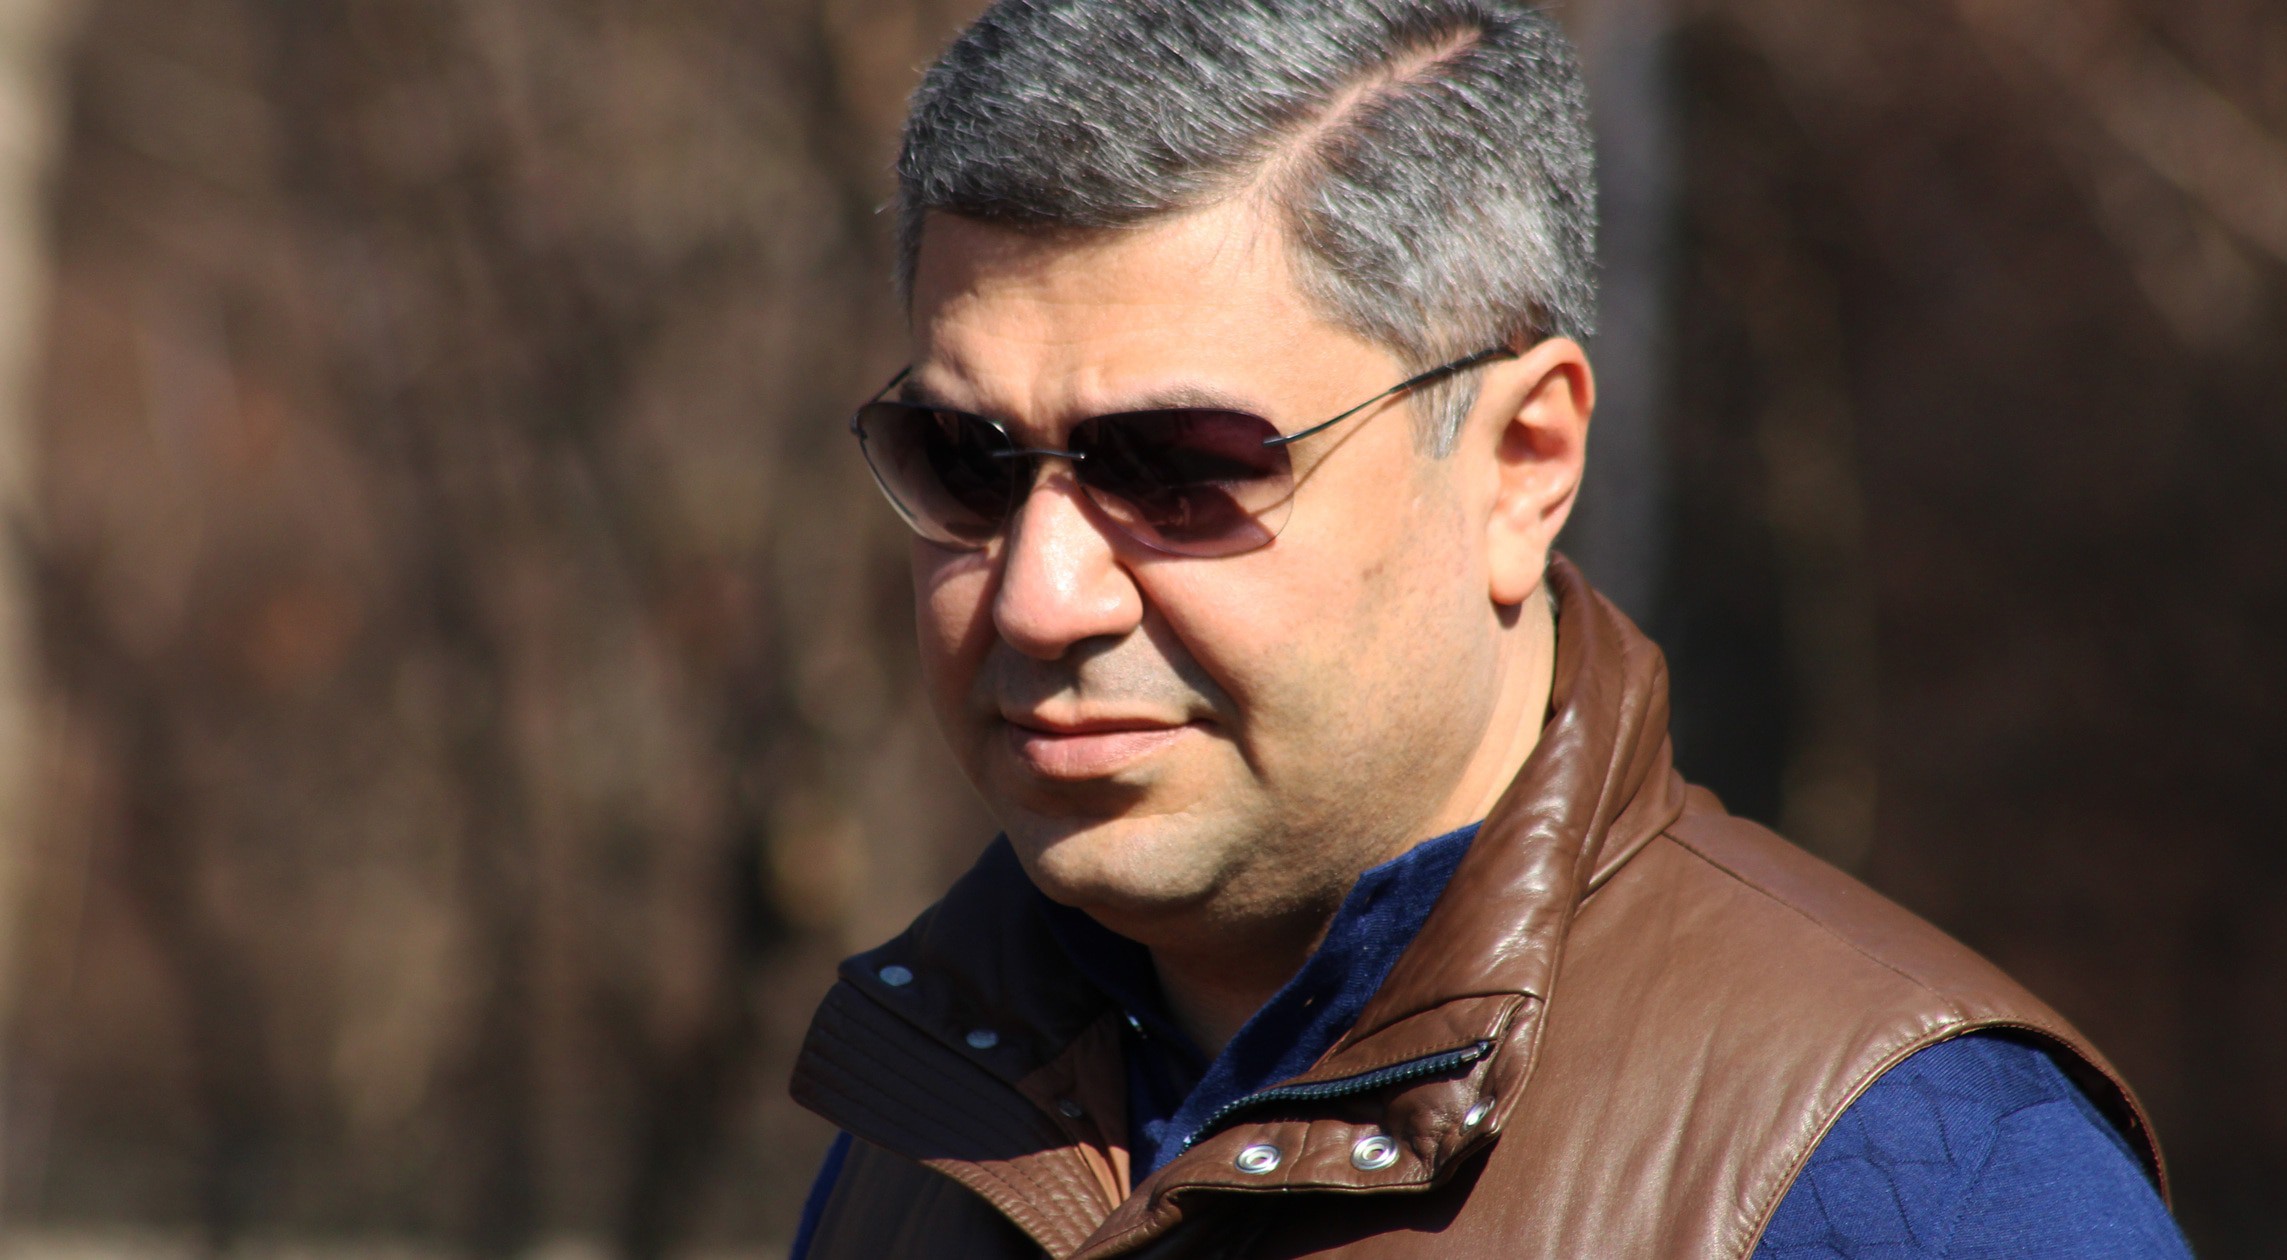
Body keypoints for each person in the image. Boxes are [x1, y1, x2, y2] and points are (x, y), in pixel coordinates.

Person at [787, 1, 2192, 1255]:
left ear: (1524, 463)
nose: (1042, 596)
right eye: (963, 460)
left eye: (1176, 470)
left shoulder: (1908, 1177)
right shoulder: (936, 1113)